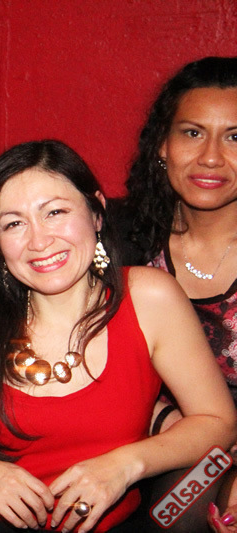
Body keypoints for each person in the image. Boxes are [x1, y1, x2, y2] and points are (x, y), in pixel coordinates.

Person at [0, 139, 237, 532]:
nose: (39, 241)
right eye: (14, 223)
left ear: (96, 212)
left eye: (55, 212)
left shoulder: (149, 297)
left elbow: (217, 420)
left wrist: (126, 465)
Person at [116, 56, 237, 531]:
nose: (211, 157)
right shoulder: (119, 240)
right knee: (177, 511)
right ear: (162, 145)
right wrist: (174, 424)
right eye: (192, 133)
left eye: (235, 137)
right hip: (147, 431)